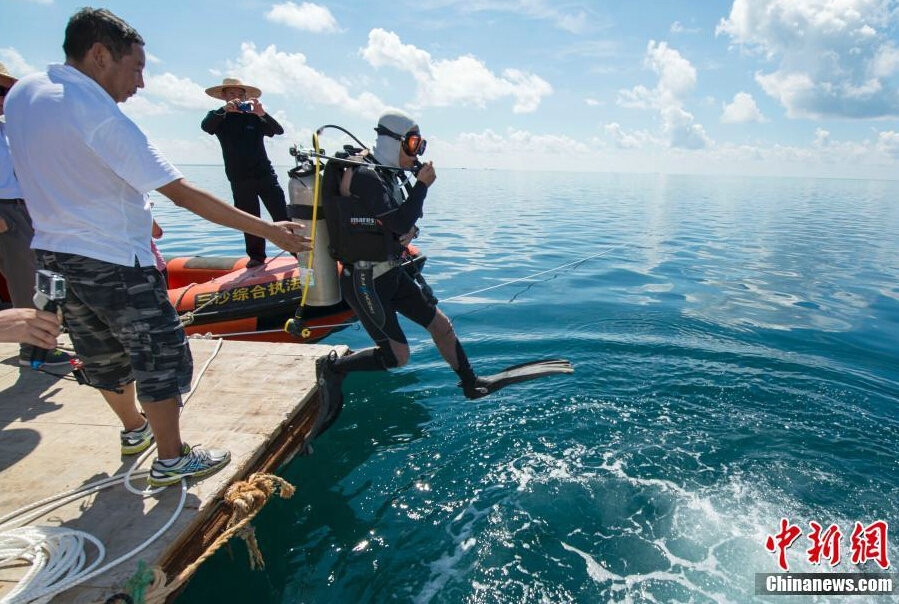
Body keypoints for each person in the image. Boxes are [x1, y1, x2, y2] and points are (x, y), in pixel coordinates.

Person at [5, 7, 310, 487]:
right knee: (160, 354)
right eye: (137, 68)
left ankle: (133, 430)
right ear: (100, 54)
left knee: (98, 351)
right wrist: (272, 232)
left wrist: (136, 212)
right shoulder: (98, 113)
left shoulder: (24, 94)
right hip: (115, 262)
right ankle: (171, 458)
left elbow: (64, 169)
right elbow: (185, 192)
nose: (141, 83)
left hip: (52, 255)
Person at [314, 110, 572, 435]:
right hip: (365, 280)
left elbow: (398, 223)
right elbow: (399, 222)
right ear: (391, 140)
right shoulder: (365, 175)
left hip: (391, 271)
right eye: (412, 143)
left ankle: (471, 383)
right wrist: (422, 187)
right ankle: (335, 368)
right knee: (398, 357)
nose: (417, 152)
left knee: (441, 324)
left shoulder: (386, 175)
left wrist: (409, 230)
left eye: (420, 144)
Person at [0, 61, 72, 368]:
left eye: (5, 91)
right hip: (6, 211)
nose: (4, 98)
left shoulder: (8, 131)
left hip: (25, 208)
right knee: (26, 279)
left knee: (40, 276)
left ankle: (41, 339)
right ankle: (35, 347)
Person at [201, 77, 289, 268]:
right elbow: (206, 126)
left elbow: (278, 131)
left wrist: (262, 113)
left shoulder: (254, 117)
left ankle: (297, 251)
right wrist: (224, 110)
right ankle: (257, 257)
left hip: (265, 174)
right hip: (239, 178)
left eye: (240, 94)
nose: (237, 98)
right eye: (232, 94)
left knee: (281, 214)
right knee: (250, 219)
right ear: (224, 96)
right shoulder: (219, 117)